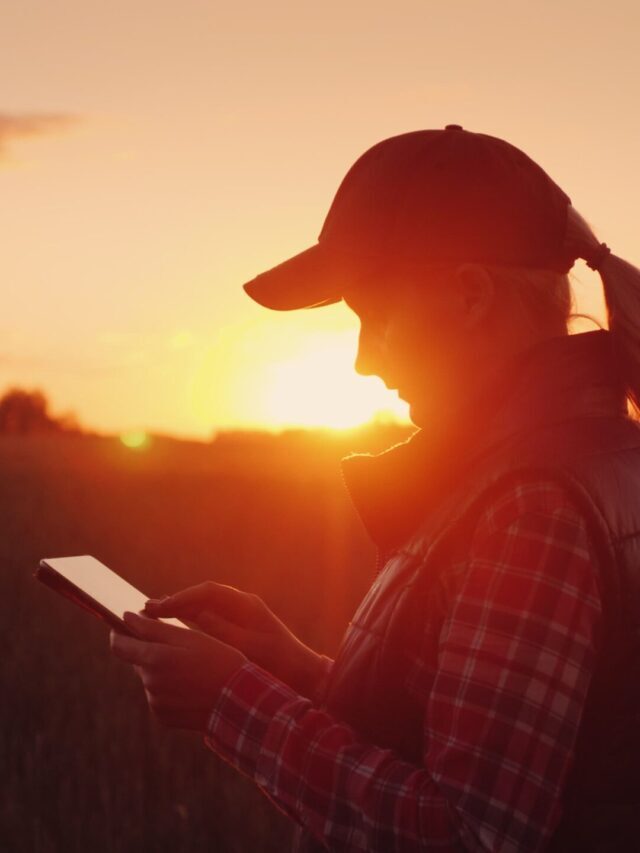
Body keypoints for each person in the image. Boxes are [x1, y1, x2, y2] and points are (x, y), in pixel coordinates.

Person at [109, 125, 640, 851]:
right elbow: (478, 739)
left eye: (373, 314)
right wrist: (300, 671)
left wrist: (235, 702)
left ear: (470, 296)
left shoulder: (531, 505)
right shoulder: (566, 462)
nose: (362, 361)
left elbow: (469, 834)